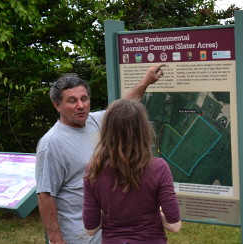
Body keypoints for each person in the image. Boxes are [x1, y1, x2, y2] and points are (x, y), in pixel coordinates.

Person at [35, 64, 165, 244]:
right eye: (72, 101)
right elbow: (45, 195)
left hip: (106, 233)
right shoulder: (51, 143)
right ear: (57, 105)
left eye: (84, 98)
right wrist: (57, 240)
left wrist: (146, 82)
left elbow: (123, 108)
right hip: (78, 237)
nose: (81, 106)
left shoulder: (95, 121)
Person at [83, 98, 181, 244]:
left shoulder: (93, 169)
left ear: (107, 131)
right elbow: (174, 225)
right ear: (144, 130)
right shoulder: (159, 168)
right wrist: (152, 215)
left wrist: (114, 215)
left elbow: (91, 228)